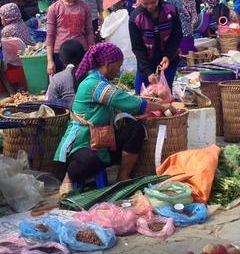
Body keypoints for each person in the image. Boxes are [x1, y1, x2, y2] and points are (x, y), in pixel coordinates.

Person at [54, 42, 164, 196]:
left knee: (135, 130)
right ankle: (69, 178)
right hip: (81, 143)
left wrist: (142, 114)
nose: (119, 71)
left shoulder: (102, 82)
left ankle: (123, 176)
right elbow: (130, 103)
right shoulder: (93, 84)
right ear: (108, 64)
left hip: (103, 141)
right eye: (118, 66)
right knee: (91, 162)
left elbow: (122, 106)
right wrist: (162, 106)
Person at [128, 0, 181, 91]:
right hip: (146, 61)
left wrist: (168, 56)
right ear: (139, 0)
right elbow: (137, 48)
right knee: (142, 94)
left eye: (153, 2)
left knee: (166, 92)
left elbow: (176, 36)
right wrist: (148, 72)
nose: (150, 6)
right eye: (145, 3)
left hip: (169, 59)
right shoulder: (135, 18)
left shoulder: (171, 11)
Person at [45, 0, 94, 77]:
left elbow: (89, 31)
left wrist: (92, 51)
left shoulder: (84, 7)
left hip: (81, 52)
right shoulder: (54, 8)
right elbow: (50, 35)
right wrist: (50, 60)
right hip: (61, 53)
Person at [44, 39, 86, 109]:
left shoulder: (57, 78)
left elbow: (49, 104)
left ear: (61, 59)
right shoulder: (90, 74)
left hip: (66, 114)